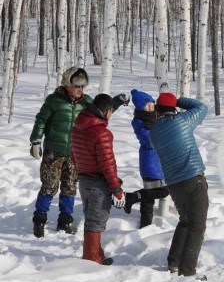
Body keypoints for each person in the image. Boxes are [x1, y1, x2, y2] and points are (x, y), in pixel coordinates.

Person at [148, 92, 209, 279]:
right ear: (173, 108)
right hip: (193, 178)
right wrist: (179, 100)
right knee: (197, 225)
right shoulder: (182, 121)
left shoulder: (154, 133)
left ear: (158, 110)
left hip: (174, 183)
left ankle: (174, 262)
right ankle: (188, 272)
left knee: (185, 222)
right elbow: (202, 107)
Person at [29, 67, 93, 238]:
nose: (81, 90)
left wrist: (114, 102)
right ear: (67, 84)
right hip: (53, 151)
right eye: (77, 86)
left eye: (83, 87)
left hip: (75, 153)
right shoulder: (54, 101)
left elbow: (100, 115)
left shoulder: (87, 102)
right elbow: (41, 120)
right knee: (49, 186)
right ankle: (39, 220)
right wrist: (36, 140)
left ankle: (65, 221)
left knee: (70, 188)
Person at [70, 94, 126, 265]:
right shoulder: (102, 133)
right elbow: (108, 164)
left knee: (91, 218)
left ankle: (97, 254)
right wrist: (116, 188)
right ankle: (91, 260)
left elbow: (73, 155)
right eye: (110, 112)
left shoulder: (78, 127)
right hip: (98, 183)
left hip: (84, 180)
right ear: (106, 111)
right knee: (96, 221)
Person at [124, 89, 169, 228]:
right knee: (151, 193)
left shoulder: (157, 116)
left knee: (160, 191)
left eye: (151, 103)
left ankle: (132, 198)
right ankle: (145, 223)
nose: (150, 106)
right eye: (146, 105)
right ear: (139, 107)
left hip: (160, 161)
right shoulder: (139, 122)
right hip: (149, 161)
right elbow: (148, 140)